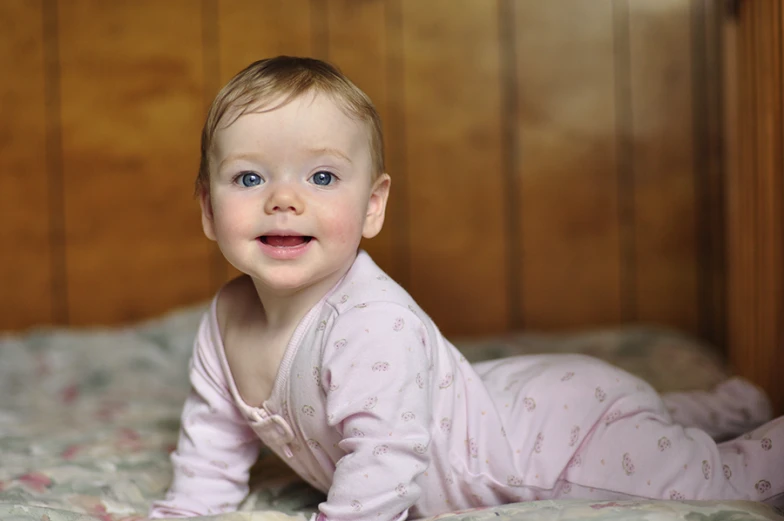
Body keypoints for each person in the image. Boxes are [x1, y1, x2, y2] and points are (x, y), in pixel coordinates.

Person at [149, 56, 784, 520]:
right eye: (249, 178)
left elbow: (384, 463)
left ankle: (742, 428)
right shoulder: (227, 317)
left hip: (544, 445)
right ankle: (726, 406)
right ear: (208, 209)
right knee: (649, 420)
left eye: (320, 176)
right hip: (518, 399)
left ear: (373, 207)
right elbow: (213, 440)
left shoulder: (370, 323)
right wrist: (186, 511)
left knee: (706, 476)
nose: (284, 199)